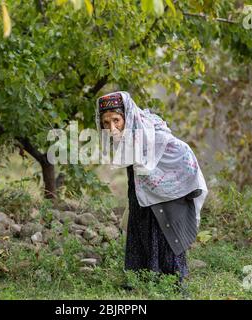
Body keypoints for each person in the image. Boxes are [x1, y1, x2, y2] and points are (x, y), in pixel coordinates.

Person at [95, 91, 208, 296]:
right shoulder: (128, 133)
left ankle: (174, 281)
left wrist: (183, 184)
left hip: (166, 195)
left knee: (164, 228)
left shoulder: (149, 132)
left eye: (116, 120)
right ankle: (139, 277)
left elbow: (183, 151)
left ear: (127, 117)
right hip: (139, 190)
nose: (112, 128)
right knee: (140, 225)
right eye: (106, 122)